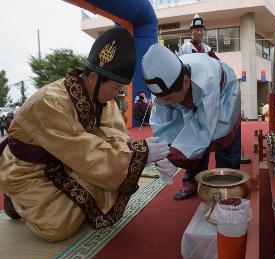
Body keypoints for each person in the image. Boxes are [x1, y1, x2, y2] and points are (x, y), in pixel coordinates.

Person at [0, 27, 170, 241]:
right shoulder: (50, 101)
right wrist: (139, 154)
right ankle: (16, 199)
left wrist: (141, 154)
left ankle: (38, 202)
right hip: (28, 170)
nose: (115, 94)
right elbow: (84, 151)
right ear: (92, 77)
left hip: (68, 162)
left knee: (109, 185)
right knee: (57, 227)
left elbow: (116, 138)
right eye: (115, 87)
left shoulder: (103, 100)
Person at [142, 44, 241, 200]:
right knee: (187, 137)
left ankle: (229, 184)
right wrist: (166, 152)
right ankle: (192, 181)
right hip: (189, 95)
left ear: (186, 81)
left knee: (223, 134)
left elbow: (204, 128)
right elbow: (164, 124)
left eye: (168, 98)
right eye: (161, 98)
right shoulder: (164, 89)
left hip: (223, 92)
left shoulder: (207, 79)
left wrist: (176, 156)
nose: (164, 102)